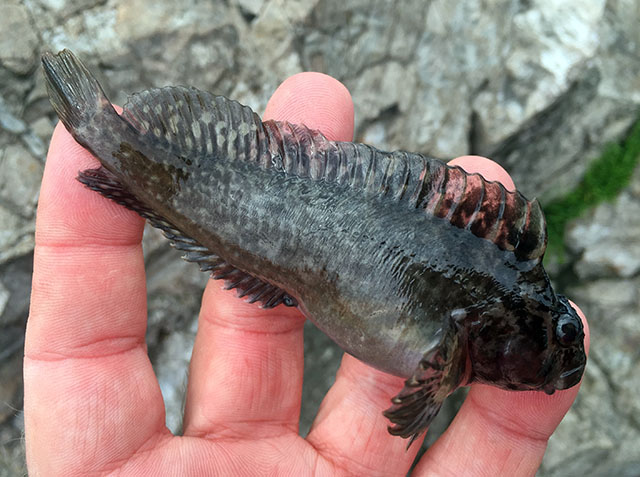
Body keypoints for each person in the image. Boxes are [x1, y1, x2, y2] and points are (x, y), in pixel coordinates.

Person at [24, 72, 589, 476]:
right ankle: (114, 144)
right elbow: (411, 408)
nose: (548, 367)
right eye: (548, 345)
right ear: (496, 331)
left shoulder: (478, 310)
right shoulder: (470, 322)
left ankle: (117, 150)